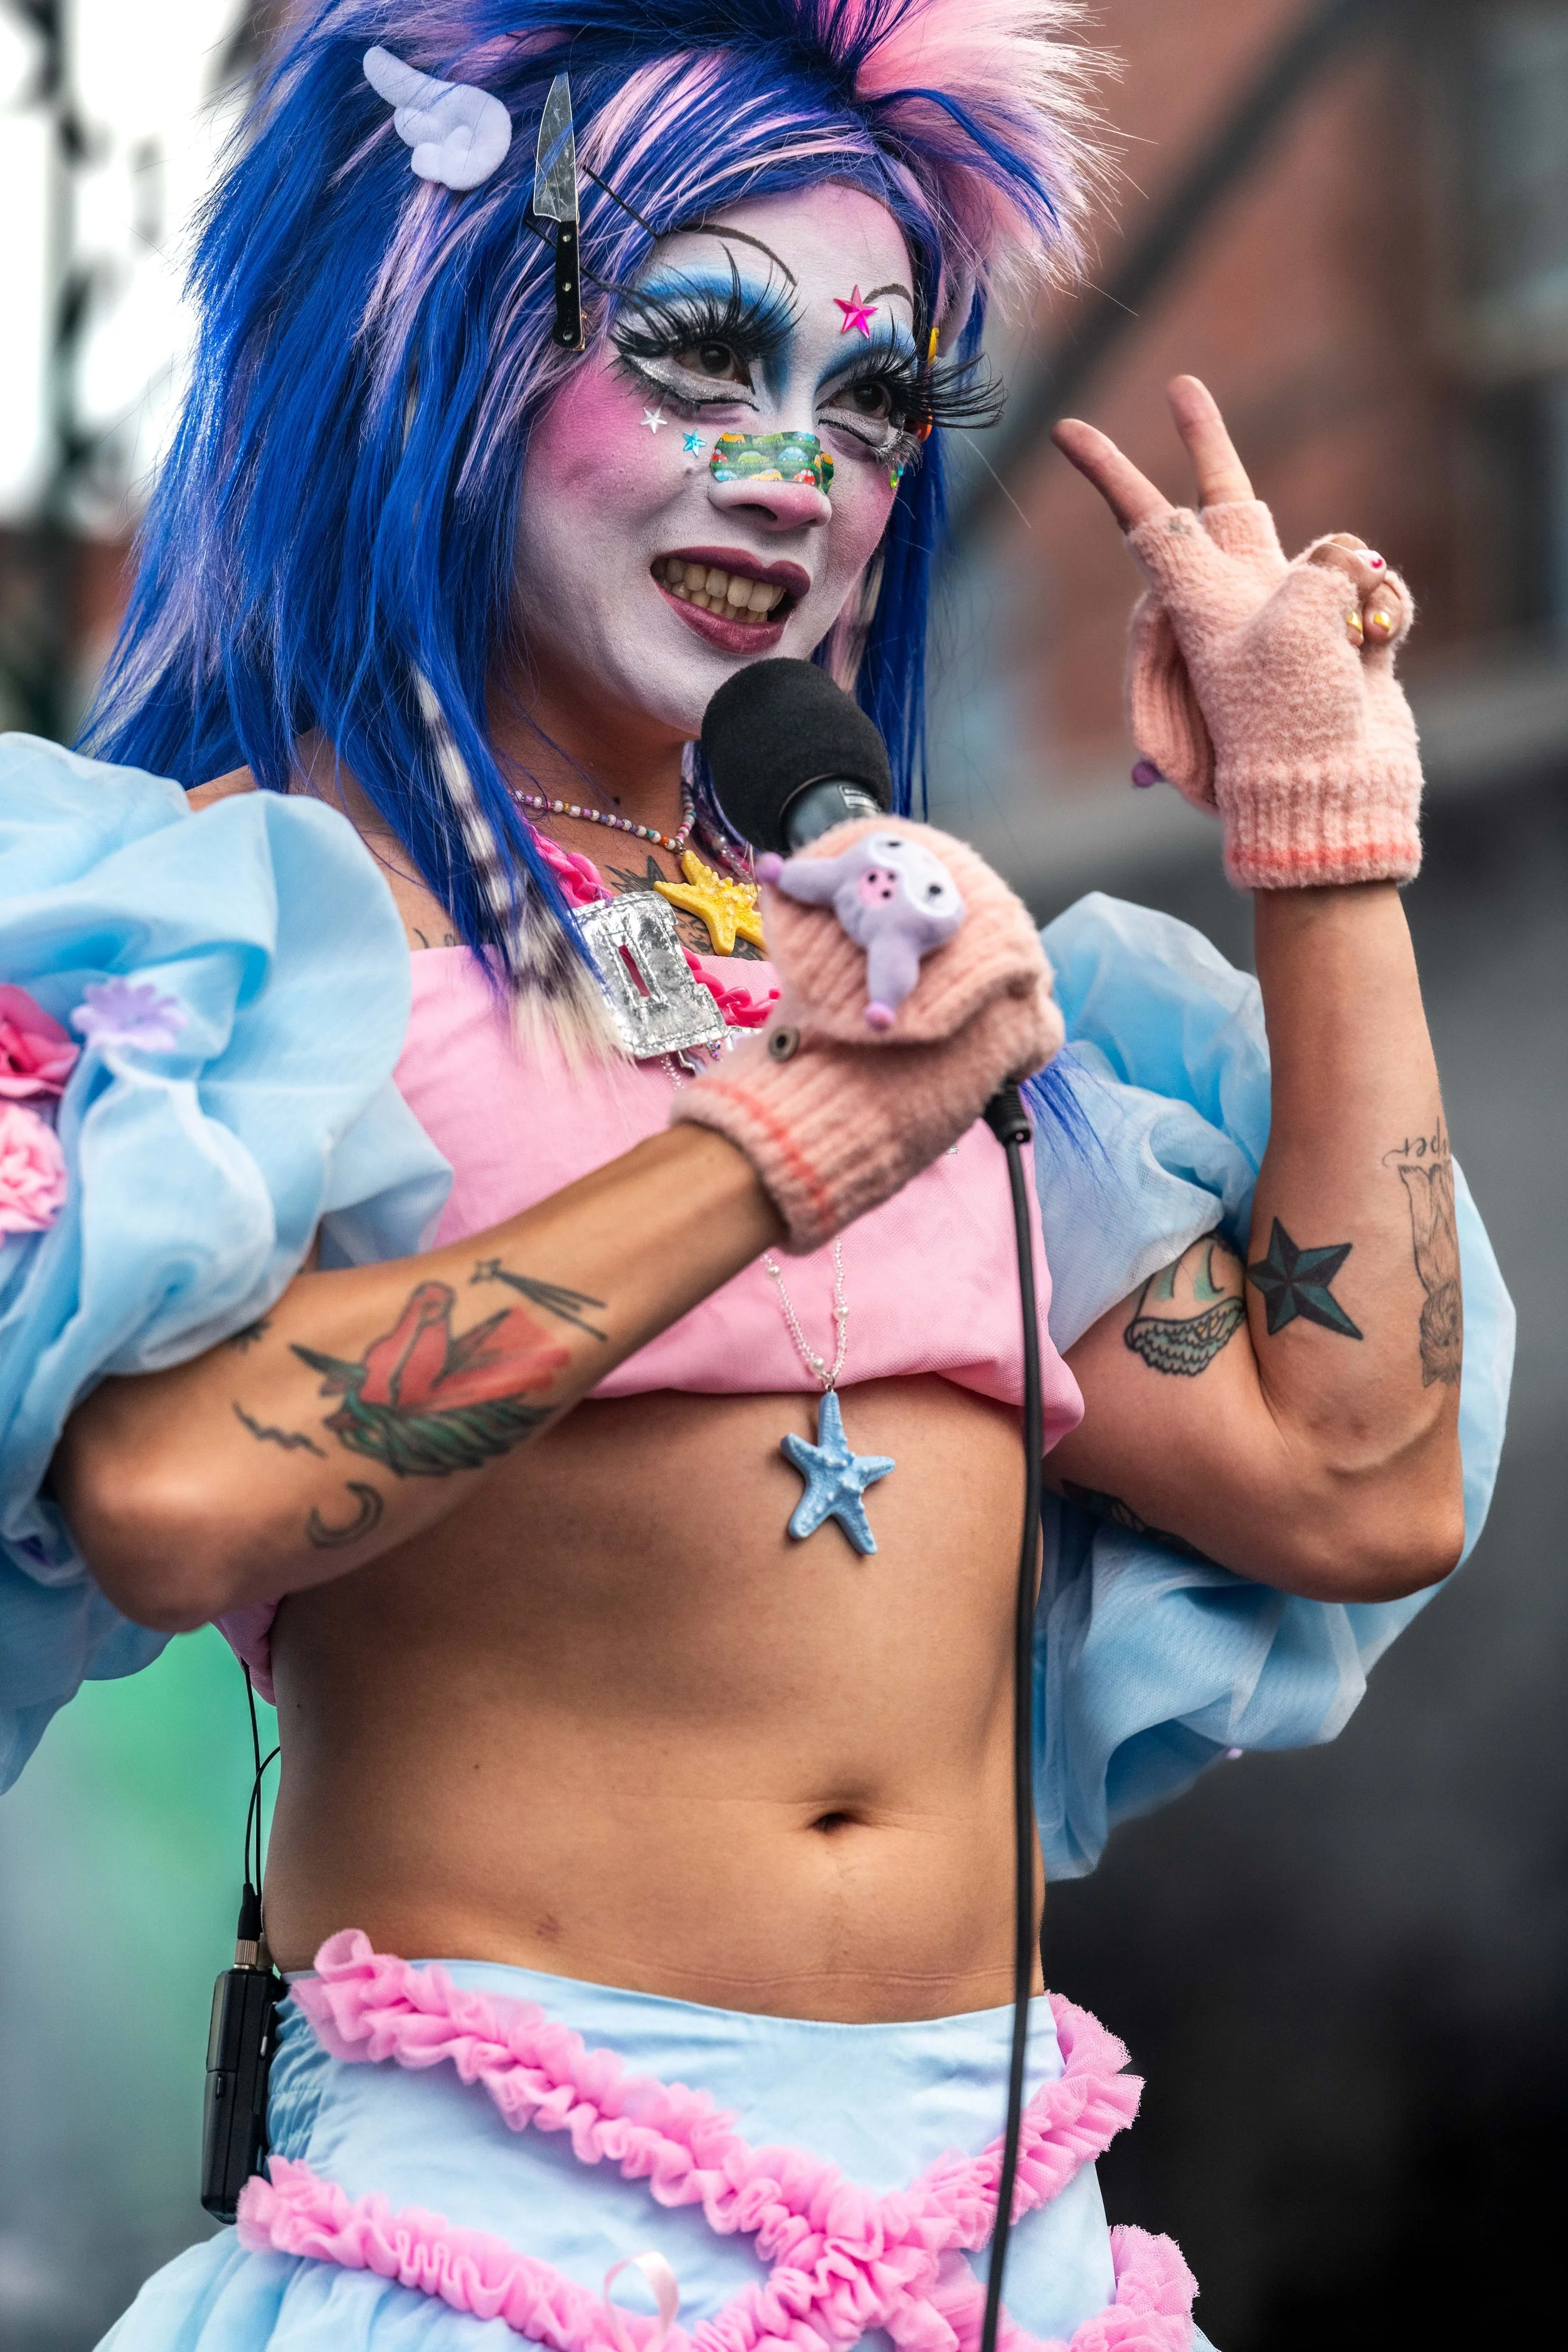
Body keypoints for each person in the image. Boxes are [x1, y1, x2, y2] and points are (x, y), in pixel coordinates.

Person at [0, 5, 1513, 2348]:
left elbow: (1356, 1477)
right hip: (495, 2249)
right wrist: (780, 1152)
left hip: (1001, 2254)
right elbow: (175, 1497)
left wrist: (1321, 836)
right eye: (705, 352)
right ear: (452, 351)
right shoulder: (260, 921)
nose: (799, 470)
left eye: (877, 403)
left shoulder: (893, 952)